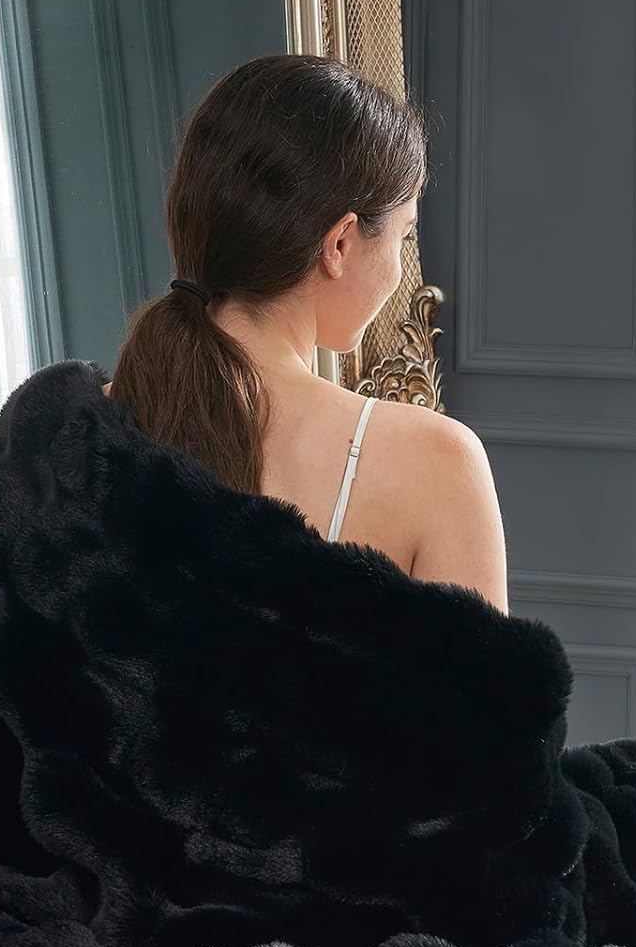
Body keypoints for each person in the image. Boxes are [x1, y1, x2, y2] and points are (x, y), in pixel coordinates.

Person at [103, 53, 510, 614]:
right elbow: (481, 676)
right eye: (404, 237)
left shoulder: (74, 434)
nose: (401, 270)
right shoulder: (436, 464)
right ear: (340, 244)